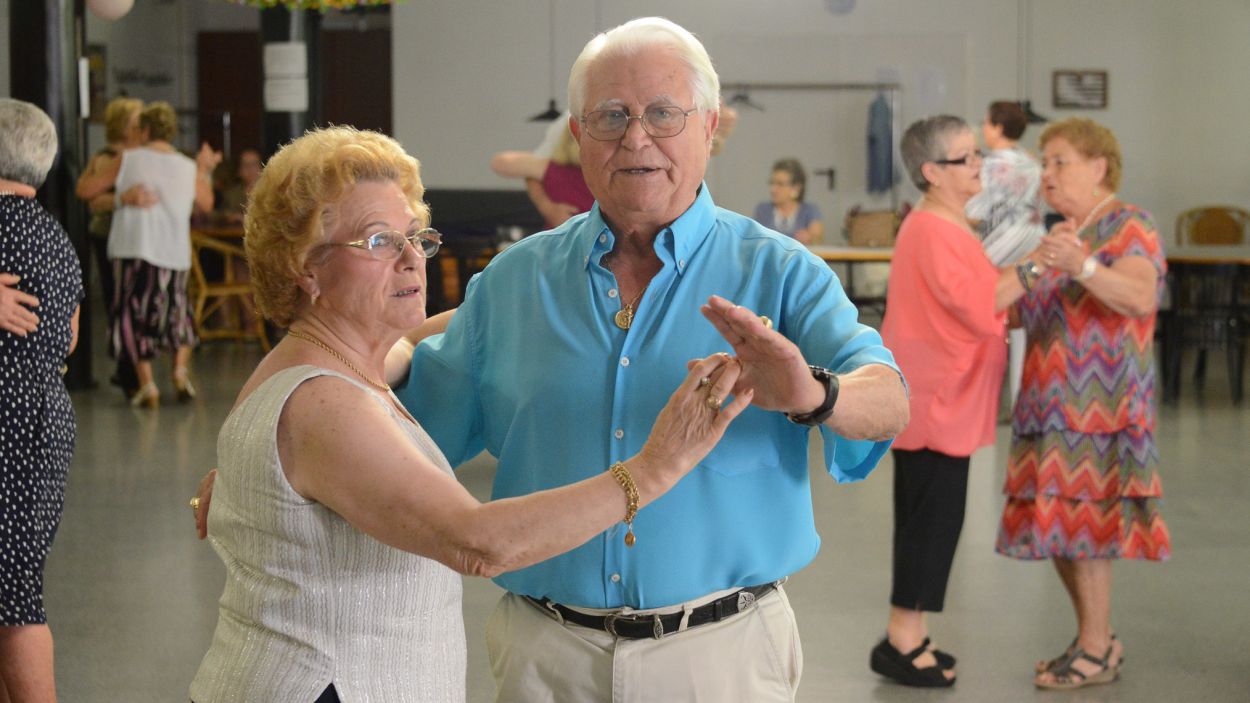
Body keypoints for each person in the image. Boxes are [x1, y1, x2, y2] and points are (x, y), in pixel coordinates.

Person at [401, 17, 908, 701]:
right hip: (546, 657)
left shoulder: (781, 271)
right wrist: (284, 447)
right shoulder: (514, 282)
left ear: (709, 127)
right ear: (579, 136)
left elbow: (890, 399)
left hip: (723, 656)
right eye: (611, 116)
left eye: (663, 113)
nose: (636, 137)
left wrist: (815, 392)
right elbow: (406, 428)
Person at [187, 125, 750, 702]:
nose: (411, 260)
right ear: (304, 267)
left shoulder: (333, 360)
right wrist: (655, 467)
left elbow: (425, 336)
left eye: (415, 237)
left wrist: (554, 300)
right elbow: (478, 543)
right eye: (379, 242)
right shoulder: (325, 404)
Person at [999, 117, 1170, 690]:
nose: (1046, 173)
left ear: (1099, 167)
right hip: (1048, 407)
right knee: (1059, 530)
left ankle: (1097, 648)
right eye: (1044, 163)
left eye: (1059, 161)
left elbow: (1141, 295)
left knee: (1089, 529)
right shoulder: (1059, 232)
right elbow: (1023, 310)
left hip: (1101, 410)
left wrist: (1085, 267)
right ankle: (1094, 638)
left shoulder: (1128, 225)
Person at [871, 115, 1038, 687]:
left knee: (934, 519)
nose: (979, 166)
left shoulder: (949, 222)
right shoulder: (933, 229)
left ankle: (909, 632)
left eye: (976, 155)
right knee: (929, 522)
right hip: (934, 400)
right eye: (966, 158)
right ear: (931, 172)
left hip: (946, 395)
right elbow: (977, 302)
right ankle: (900, 639)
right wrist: (1039, 267)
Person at [0, 98, 84, 703]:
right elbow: (71, 334)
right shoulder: (56, 238)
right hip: (44, 416)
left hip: (10, 417)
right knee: (13, 582)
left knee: (13, 592)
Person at [107, 101, 216, 408]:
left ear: (144, 129)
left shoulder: (129, 159)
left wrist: (120, 198)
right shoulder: (186, 166)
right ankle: (180, 374)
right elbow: (206, 203)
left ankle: (148, 386)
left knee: (135, 316)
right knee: (178, 314)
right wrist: (205, 169)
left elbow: (86, 189)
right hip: (174, 252)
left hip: (135, 248)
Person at [966, 100, 1046, 405]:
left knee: (991, 322)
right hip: (1034, 245)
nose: (984, 129)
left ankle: (987, 396)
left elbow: (973, 211)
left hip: (998, 250)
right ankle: (1020, 398)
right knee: (1024, 328)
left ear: (998, 127)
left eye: (986, 123)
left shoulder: (988, 166)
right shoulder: (1033, 162)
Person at [76, 95, 145, 396]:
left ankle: (130, 367)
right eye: (136, 120)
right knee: (120, 301)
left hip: (133, 239)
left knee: (130, 301)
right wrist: (122, 200)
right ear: (123, 125)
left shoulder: (143, 155)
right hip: (109, 238)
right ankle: (128, 369)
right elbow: (91, 198)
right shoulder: (108, 157)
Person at [491, 126, 594, 228]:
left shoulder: (553, 169)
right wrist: (548, 209)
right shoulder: (556, 169)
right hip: (562, 240)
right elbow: (501, 163)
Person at [753, 157, 824, 244]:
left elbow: (817, 238)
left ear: (796, 188)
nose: (773, 189)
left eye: (780, 184)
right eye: (772, 183)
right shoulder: (763, 210)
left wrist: (810, 238)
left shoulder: (810, 210)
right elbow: (755, 240)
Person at [215, 147, 262, 226]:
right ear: (239, 171)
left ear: (261, 168)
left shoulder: (271, 192)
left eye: (254, 164)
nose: (250, 169)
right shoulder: (231, 195)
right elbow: (215, 214)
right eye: (246, 165)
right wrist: (230, 216)